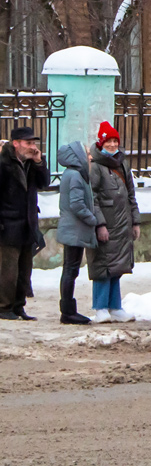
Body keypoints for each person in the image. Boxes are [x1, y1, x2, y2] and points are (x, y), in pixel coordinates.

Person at [88, 122, 140, 323]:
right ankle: (100, 307)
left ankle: (115, 307)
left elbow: (131, 195)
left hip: (122, 225)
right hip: (106, 227)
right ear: (101, 143)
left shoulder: (122, 164)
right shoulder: (96, 167)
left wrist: (135, 222)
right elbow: (92, 198)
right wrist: (99, 224)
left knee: (117, 267)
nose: (112, 144)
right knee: (103, 266)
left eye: (114, 140)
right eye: (108, 141)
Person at [0, 126, 51, 321]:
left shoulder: (31, 162)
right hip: (8, 224)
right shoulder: (4, 162)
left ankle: (19, 306)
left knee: (24, 269)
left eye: (34, 143)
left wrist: (39, 162)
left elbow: (44, 183)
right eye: (28, 143)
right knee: (8, 270)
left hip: (27, 223)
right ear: (16, 144)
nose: (32, 146)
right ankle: (4, 307)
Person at [56, 141, 98, 325]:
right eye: (86, 153)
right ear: (77, 155)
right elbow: (77, 204)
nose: (90, 157)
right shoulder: (74, 175)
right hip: (74, 230)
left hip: (73, 229)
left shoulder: (73, 174)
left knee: (70, 270)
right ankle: (67, 311)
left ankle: (68, 309)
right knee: (70, 270)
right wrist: (93, 220)